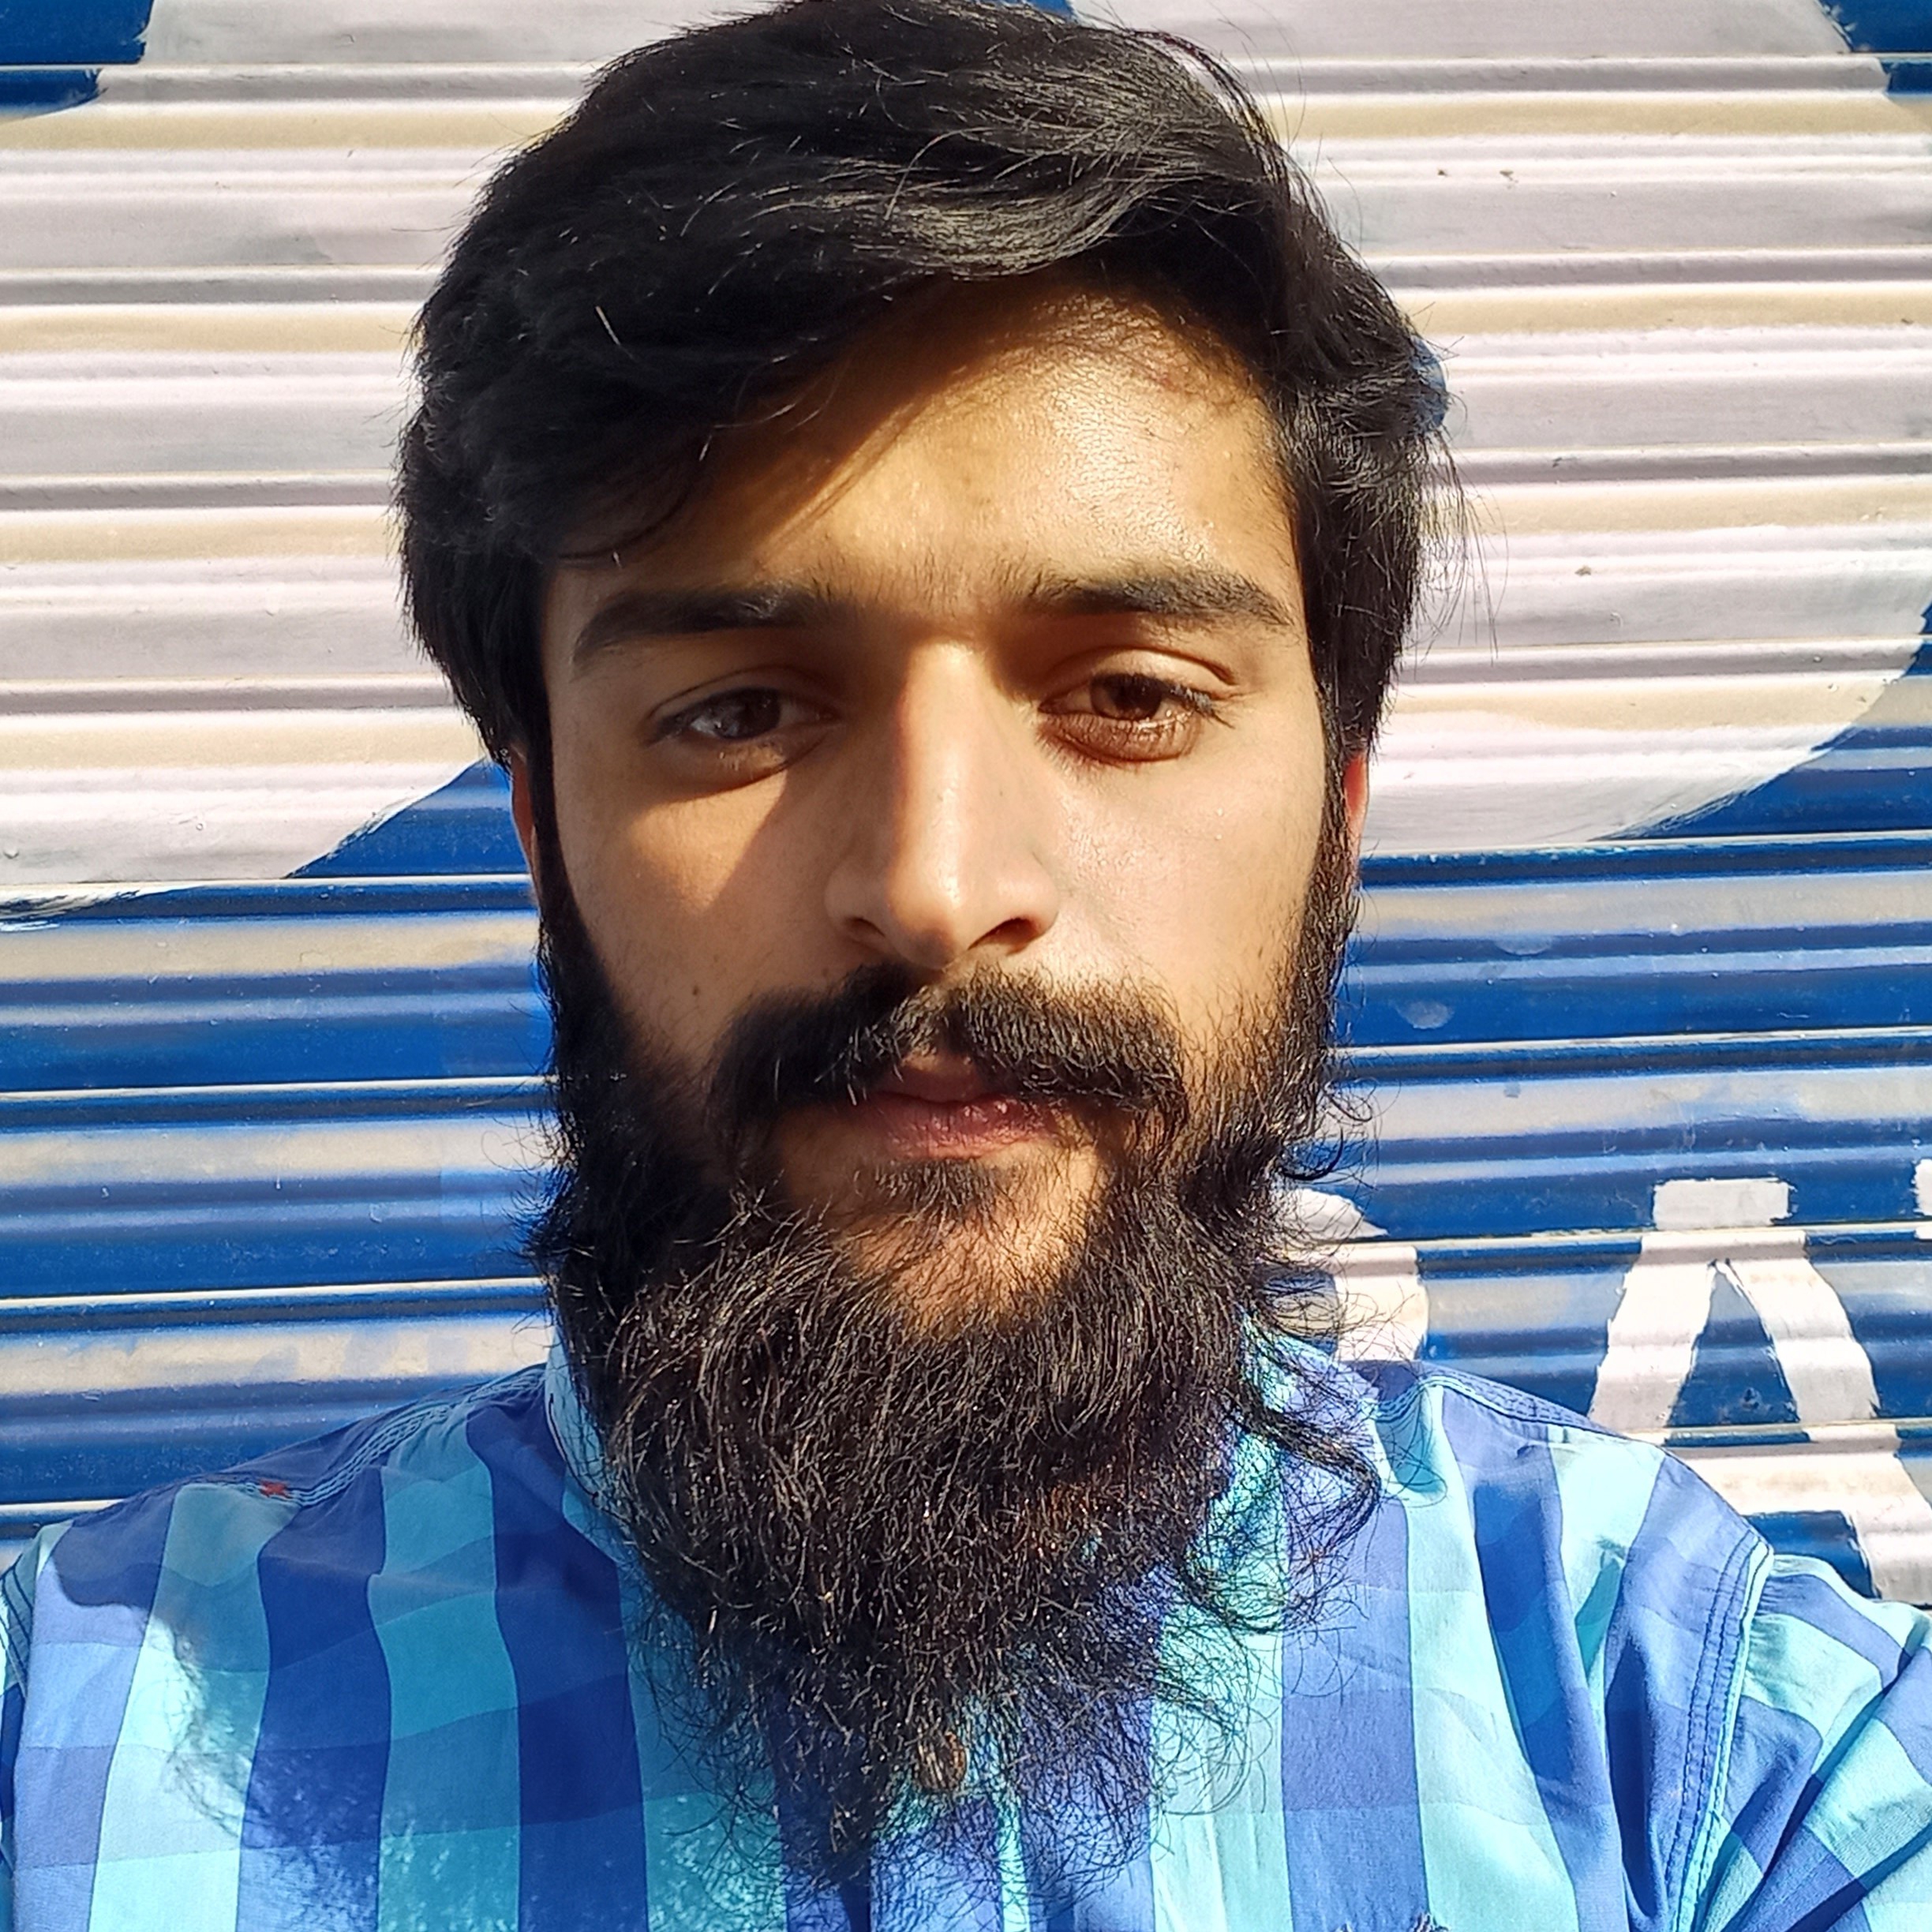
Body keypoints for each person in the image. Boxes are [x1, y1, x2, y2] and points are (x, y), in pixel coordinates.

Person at [4, 2, 1930, 1926]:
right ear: (542, 831)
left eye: (1128, 697)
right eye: (741, 710)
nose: (934, 890)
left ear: (1337, 823)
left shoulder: (1713, 1754)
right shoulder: (65, 1749)